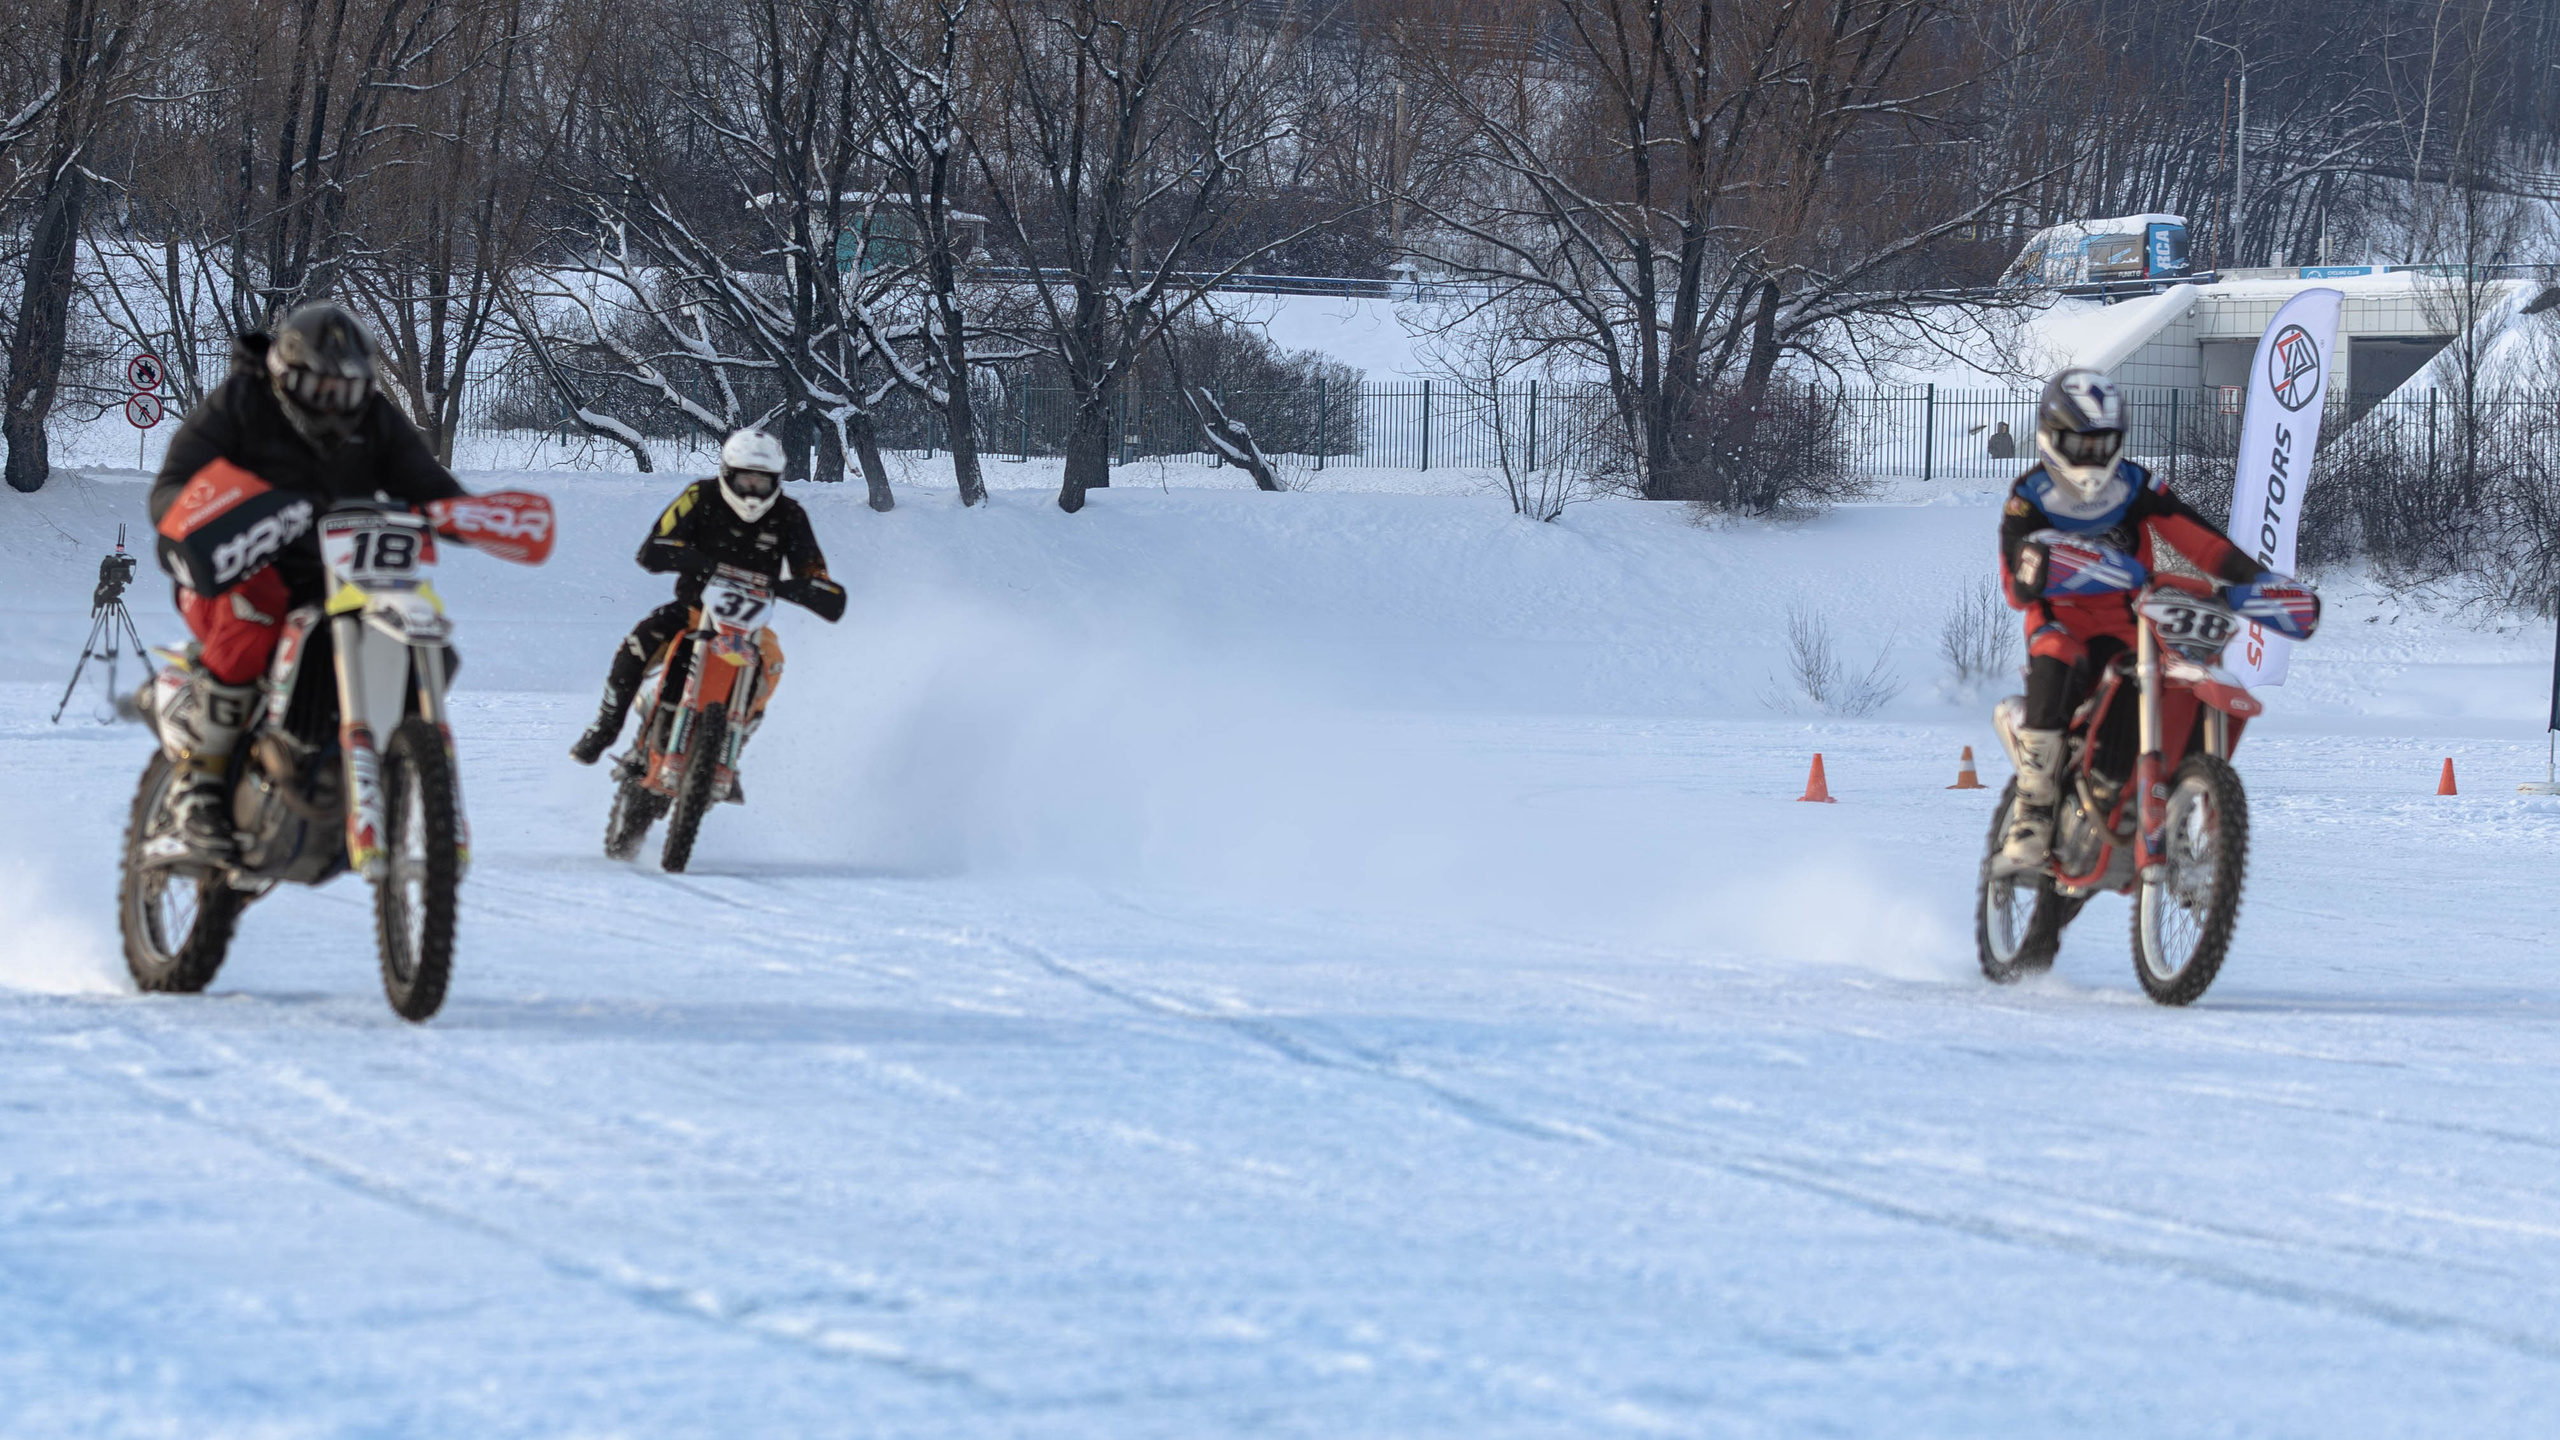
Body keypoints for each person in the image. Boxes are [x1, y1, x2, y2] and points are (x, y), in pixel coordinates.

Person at [147, 302, 472, 864]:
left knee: (430, 646)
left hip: (340, 578)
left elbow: (427, 483)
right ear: (285, 377)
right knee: (253, 620)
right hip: (232, 570)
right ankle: (196, 785)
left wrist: (465, 516)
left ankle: (392, 759)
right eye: (319, 390)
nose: (333, 404)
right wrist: (204, 517)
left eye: (344, 391)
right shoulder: (241, 404)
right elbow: (174, 483)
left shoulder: (372, 417)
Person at [1994, 368, 2316, 869]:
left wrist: (2252, 580)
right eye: (2079, 443)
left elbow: (2199, 540)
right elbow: (2016, 587)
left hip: (2133, 620)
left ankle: (2145, 784)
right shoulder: (2029, 497)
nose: (2090, 456)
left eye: (2101, 444)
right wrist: (2036, 564)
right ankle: (2033, 810)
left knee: (2158, 679)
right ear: (2051, 438)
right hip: (2061, 619)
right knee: (2056, 652)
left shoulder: (2136, 485)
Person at [567, 428, 845, 775]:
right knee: (639, 643)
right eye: (746, 480)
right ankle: (604, 728)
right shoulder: (700, 496)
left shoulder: (791, 515)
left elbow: (816, 574)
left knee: (773, 664)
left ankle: (733, 744)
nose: (753, 490)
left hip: (751, 626)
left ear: (777, 481)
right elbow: (653, 548)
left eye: (762, 482)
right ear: (728, 473)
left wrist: (808, 589)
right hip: (693, 610)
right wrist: (694, 560)